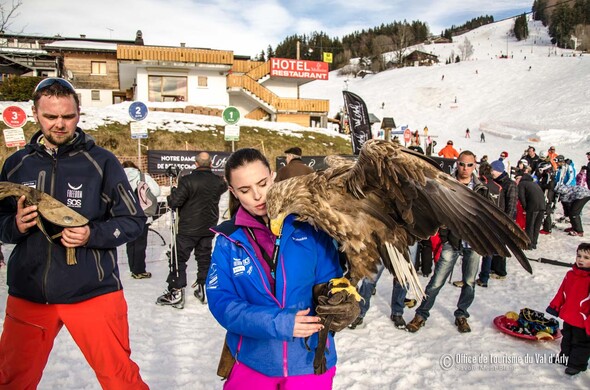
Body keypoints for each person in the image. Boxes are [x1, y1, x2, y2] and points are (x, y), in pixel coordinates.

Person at [0, 78, 148, 389]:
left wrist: (90, 234)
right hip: (30, 293)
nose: (60, 124)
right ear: (34, 113)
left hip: (92, 291)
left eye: (68, 116)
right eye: (50, 117)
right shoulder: (15, 164)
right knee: (11, 380)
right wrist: (15, 226)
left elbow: (133, 220)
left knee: (121, 380)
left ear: (79, 113)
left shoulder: (102, 161)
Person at [206, 148, 354, 388]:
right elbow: (223, 304)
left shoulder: (310, 227)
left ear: (273, 177)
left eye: (262, 183)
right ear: (233, 192)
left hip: (309, 362)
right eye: (244, 190)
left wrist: (342, 304)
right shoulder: (228, 240)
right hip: (252, 364)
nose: (257, 195)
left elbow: (331, 283)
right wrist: (279, 323)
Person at [406, 151, 489, 334]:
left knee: (469, 282)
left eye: (469, 165)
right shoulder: (446, 184)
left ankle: (462, 315)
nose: (465, 169)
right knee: (436, 281)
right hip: (452, 241)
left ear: (475, 166)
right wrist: (444, 237)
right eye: (461, 164)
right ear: (456, 164)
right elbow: (436, 211)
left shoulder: (481, 188)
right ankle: (421, 314)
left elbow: (487, 216)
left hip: (472, 244)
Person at [157, 151, 228, 307]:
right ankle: (203, 288)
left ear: (196, 164)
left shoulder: (187, 180)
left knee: (178, 258)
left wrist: (172, 195)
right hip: (208, 226)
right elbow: (221, 188)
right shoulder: (219, 182)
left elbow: (175, 202)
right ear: (211, 164)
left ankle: (176, 291)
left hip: (188, 228)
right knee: (204, 257)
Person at [546, 243, 590, 376]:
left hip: (583, 321)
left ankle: (577, 364)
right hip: (569, 316)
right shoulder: (570, 274)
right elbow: (562, 292)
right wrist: (555, 305)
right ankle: (564, 357)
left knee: (580, 343)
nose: (581, 259)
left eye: (586, 257)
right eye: (579, 256)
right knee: (567, 339)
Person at [122, 160, 161, 279]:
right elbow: (157, 191)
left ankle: (133, 268)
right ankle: (139, 270)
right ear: (135, 167)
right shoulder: (143, 176)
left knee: (130, 243)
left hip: (125, 214)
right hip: (142, 214)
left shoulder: (119, 176)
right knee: (140, 243)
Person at [489, 159, 517, 280]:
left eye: (493, 170)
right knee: (493, 243)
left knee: (500, 245)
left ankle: (500, 271)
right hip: (494, 218)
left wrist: (507, 221)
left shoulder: (509, 184)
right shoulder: (494, 182)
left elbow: (512, 203)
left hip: (504, 219)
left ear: (499, 170)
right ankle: (492, 267)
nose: (491, 172)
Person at [514, 170, 546, 249]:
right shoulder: (534, 184)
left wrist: (525, 207)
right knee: (536, 226)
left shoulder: (522, 184)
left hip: (532, 206)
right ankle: (534, 243)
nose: (516, 180)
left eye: (517, 178)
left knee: (530, 225)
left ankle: (528, 244)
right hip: (542, 206)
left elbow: (521, 197)